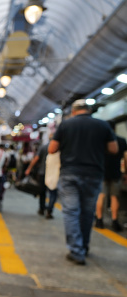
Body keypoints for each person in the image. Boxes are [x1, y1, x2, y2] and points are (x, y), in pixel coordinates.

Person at [49, 99, 118, 265]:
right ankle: (84, 247)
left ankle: (76, 251)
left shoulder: (66, 125)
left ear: (73, 111)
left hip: (70, 173)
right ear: (89, 110)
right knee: (87, 212)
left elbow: (52, 149)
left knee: (71, 212)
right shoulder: (102, 125)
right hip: (94, 174)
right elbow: (114, 149)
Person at [95, 122, 127, 231]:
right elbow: (125, 158)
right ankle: (114, 221)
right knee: (114, 197)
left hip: (102, 172)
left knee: (101, 196)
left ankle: (99, 220)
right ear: (115, 128)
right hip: (116, 173)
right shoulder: (122, 141)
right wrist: (126, 172)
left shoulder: (100, 141)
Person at [25, 142, 58, 219]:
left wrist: (29, 168)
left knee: (42, 192)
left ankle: (42, 209)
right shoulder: (59, 148)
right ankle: (49, 210)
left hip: (43, 173)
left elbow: (36, 158)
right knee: (52, 192)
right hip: (54, 174)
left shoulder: (43, 147)